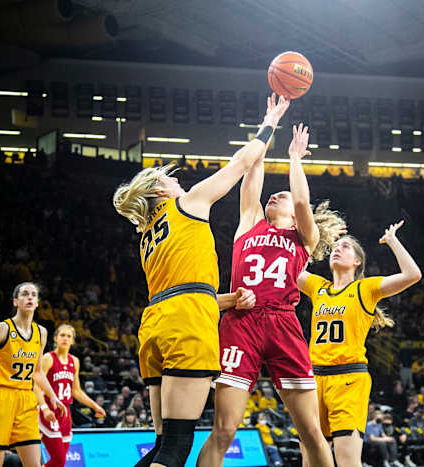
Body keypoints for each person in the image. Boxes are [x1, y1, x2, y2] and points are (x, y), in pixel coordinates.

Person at [113, 94, 287, 467]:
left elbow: (184, 289)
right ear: (160, 191)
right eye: (167, 178)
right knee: (177, 449)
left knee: (162, 445)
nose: (175, 180)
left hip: (156, 322)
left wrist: (228, 300)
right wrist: (269, 123)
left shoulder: (147, 233)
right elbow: (241, 162)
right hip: (187, 324)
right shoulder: (188, 202)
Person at [197, 122, 346, 467]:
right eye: (273, 195)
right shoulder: (249, 222)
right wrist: (270, 124)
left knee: (310, 432)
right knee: (223, 430)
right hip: (240, 323)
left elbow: (303, 199)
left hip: (283, 323)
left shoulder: (303, 237)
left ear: (294, 216)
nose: (275, 195)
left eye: (283, 196)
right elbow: (252, 172)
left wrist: (295, 157)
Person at [297, 223, 421, 467]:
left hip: (349, 379)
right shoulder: (318, 287)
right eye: (335, 246)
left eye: (345, 247)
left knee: (346, 461)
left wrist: (392, 240)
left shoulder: (365, 289)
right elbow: (291, 267)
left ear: (357, 262)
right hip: (314, 379)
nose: (337, 249)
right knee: (309, 460)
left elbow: (413, 275)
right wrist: (311, 237)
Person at [0, 282, 66, 467]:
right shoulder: (4, 328)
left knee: (34, 464)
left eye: (33, 295)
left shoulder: (41, 332)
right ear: (15, 302)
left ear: (37, 303)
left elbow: (37, 373)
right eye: (24, 294)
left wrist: (53, 396)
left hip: (26, 400)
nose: (29, 297)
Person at [33, 325, 105, 467]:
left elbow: (76, 391)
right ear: (55, 339)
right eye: (62, 335)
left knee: (60, 463)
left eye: (68, 336)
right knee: (59, 459)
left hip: (65, 413)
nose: (65, 338)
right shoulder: (48, 358)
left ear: (72, 341)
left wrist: (95, 406)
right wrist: (44, 408)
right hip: (49, 411)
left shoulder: (75, 361)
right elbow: (36, 386)